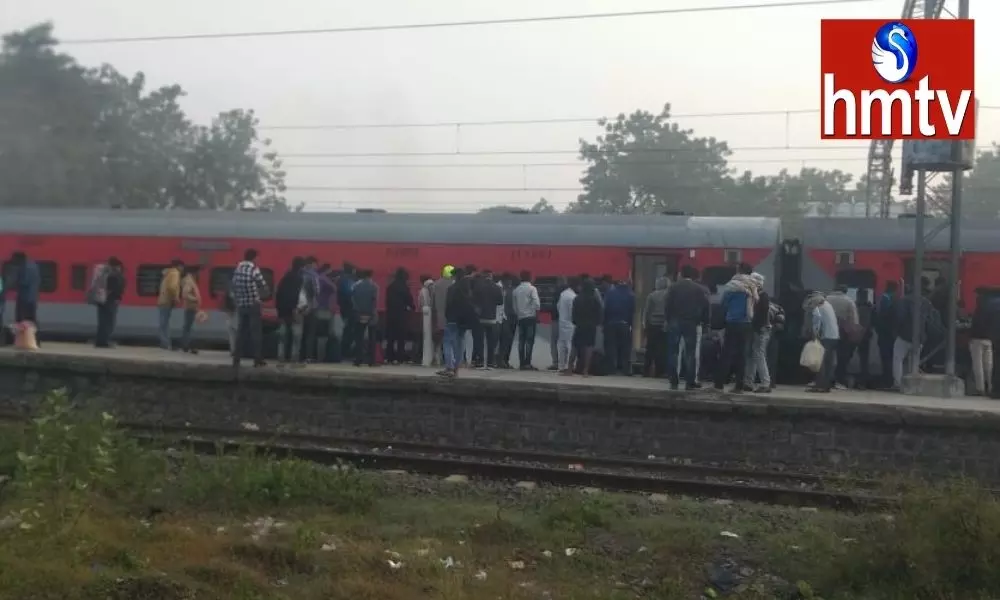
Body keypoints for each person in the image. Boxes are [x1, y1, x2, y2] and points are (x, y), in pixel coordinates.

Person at [714, 263, 757, 393]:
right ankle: (739, 386)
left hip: (732, 323)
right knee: (742, 355)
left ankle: (719, 384)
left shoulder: (731, 286)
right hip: (747, 323)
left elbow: (723, 305)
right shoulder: (753, 286)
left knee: (726, 354)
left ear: (738, 271)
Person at [666, 265, 709, 390]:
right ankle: (689, 381)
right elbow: (705, 306)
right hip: (691, 322)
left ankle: (674, 380)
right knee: (690, 353)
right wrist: (705, 322)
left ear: (682, 274)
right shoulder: (699, 289)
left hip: (675, 321)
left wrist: (668, 320)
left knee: (674, 352)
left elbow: (667, 305)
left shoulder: (673, 287)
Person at [891, 284, 937, 390]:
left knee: (898, 359)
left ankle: (897, 383)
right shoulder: (926, 302)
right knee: (914, 361)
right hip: (920, 337)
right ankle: (912, 384)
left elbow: (898, 317)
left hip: (904, 335)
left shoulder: (903, 301)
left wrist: (896, 331)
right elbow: (932, 320)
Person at [230, 249, 269, 369]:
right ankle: (257, 359)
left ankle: (236, 359)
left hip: (242, 305)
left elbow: (233, 285)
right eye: (257, 257)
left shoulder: (238, 269)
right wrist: (262, 295)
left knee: (241, 333)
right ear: (254, 258)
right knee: (256, 333)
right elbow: (263, 285)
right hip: (253, 305)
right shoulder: (254, 269)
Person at [440, 268, 476, 378]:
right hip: (464, 321)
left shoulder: (452, 288)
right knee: (460, 343)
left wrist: (447, 315)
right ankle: (456, 368)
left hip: (452, 319)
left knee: (448, 342)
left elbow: (449, 304)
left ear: (455, 276)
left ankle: (449, 367)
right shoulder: (467, 289)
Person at [825, 284, 861, 388]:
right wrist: (854, 333)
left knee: (828, 356)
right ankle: (838, 380)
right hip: (843, 332)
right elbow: (854, 319)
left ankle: (826, 379)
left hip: (828, 331)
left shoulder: (826, 299)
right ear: (845, 291)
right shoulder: (849, 301)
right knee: (842, 357)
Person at [805, 291, 839, 393]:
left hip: (826, 337)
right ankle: (826, 385)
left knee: (820, 362)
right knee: (829, 362)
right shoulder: (828, 305)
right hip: (834, 336)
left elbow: (817, 323)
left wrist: (814, 336)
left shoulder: (817, 309)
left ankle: (820, 385)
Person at [744, 273, 772, 393]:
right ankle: (748, 382)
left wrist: (758, 326)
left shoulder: (762, 296)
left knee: (759, 355)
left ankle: (765, 383)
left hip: (760, 330)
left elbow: (762, 313)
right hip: (757, 329)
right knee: (752, 355)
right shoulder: (757, 295)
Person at [276, 257, 306, 365]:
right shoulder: (299, 279)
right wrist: (297, 308)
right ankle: (294, 359)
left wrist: (279, 309)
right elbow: (298, 295)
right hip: (295, 311)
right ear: (301, 267)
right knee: (296, 336)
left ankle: (281, 358)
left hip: (283, 311)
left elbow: (278, 294)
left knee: (282, 336)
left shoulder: (284, 278)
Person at [90, 257, 124, 348]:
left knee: (102, 322)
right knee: (109, 323)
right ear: (116, 266)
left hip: (101, 300)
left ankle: (99, 341)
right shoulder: (115, 275)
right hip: (110, 301)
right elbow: (115, 289)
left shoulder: (103, 273)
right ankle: (104, 342)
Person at [603, 280, 636, 375]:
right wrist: (630, 325)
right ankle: (624, 369)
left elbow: (605, 309)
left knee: (611, 347)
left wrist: (604, 323)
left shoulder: (610, 293)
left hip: (610, 324)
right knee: (625, 347)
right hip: (625, 324)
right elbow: (632, 312)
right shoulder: (631, 295)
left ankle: (611, 368)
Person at [472, 270, 502, 369]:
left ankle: (480, 362)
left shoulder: (478, 287)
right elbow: (500, 302)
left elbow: (473, 301)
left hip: (480, 318)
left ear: (483, 276)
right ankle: (490, 363)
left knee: (479, 341)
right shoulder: (497, 288)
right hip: (492, 318)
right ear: (491, 276)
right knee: (491, 342)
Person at [572, 278, 602, 377]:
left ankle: (569, 368)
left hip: (580, 325)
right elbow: (600, 314)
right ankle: (585, 370)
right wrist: (596, 323)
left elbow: (574, 314)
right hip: (591, 326)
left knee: (575, 346)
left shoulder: (577, 299)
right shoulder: (595, 300)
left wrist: (576, 322)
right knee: (589, 347)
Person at [385, 267, 414, 364]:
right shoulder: (404, 287)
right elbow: (409, 300)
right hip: (402, 315)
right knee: (401, 338)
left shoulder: (390, 287)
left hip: (391, 315)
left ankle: (389, 356)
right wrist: (411, 307)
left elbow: (387, 301)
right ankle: (400, 357)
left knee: (391, 337)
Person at [512, 271, 541, 370]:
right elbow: (537, 303)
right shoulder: (532, 289)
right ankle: (527, 363)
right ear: (530, 277)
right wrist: (535, 314)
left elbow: (514, 307)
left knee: (521, 340)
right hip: (530, 318)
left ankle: (521, 363)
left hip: (521, 318)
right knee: (529, 341)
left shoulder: (516, 290)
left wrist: (519, 314)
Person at [969, 289, 995, 396]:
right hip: (988, 339)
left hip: (977, 339)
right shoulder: (992, 310)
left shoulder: (978, 311)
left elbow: (974, 326)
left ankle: (980, 389)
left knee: (978, 364)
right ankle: (991, 387)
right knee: (989, 365)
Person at [642, 276, 669, 378]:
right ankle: (660, 371)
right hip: (664, 325)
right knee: (662, 350)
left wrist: (645, 324)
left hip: (653, 324)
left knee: (650, 349)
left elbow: (647, 311)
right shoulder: (669, 295)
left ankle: (646, 370)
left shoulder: (651, 295)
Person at [351, 269, 379, 367]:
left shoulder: (356, 286)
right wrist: (372, 313)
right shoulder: (374, 286)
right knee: (372, 337)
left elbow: (353, 300)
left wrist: (358, 311)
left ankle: (358, 359)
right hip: (371, 314)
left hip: (359, 314)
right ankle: (371, 361)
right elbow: (374, 302)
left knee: (359, 337)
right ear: (371, 275)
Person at [874, 281, 898, 388]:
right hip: (886, 334)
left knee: (886, 357)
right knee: (887, 358)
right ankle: (888, 380)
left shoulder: (883, 298)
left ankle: (887, 379)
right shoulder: (886, 299)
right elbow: (886, 317)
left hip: (883, 334)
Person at [156, 259, 183, 350]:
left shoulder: (167, 273)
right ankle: (166, 343)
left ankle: (164, 342)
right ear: (179, 266)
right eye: (182, 267)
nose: (182, 269)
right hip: (167, 301)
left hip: (162, 300)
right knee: (165, 323)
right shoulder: (175, 273)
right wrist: (176, 298)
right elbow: (172, 287)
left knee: (163, 323)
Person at [10, 251, 40, 331]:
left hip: (24, 299)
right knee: (31, 322)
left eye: (15, 260)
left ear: (20, 259)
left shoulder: (25, 267)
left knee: (22, 322)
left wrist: (14, 282)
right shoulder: (33, 266)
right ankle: (34, 340)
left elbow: (24, 282)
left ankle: (24, 340)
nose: (14, 262)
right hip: (32, 299)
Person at [432, 265, 455, 366]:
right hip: (451, 317)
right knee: (451, 341)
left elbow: (433, 302)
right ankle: (450, 362)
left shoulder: (436, 284)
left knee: (440, 339)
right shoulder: (453, 285)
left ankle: (437, 358)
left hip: (439, 315)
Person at [299, 256, 321, 362]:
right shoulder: (313, 275)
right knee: (310, 333)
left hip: (298, 307)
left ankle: (299, 355)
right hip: (311, 306)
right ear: (312, 264)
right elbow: (317, 291)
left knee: (300, 332)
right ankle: (308, 357)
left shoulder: (299, 274)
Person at [315, 264, 337, 362]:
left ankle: (318, 356)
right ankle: (322, 357)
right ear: (327, 270)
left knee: (318, 334)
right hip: (324, 309)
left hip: (317, 308)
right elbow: (334, 288)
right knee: (323, 335)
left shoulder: (316, 278)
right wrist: (334, 281)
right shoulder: (323, 279)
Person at [556, 278, 578, 374]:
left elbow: (558, 306)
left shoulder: (563, 294)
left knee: (561, 345)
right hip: (570, 324)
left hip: (562, 322)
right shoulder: (573, 297)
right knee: (570, 346)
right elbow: (573, 311)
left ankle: (561, 366)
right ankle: (569, 366)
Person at [854, 290, 875, 389]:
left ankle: (861, 381)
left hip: (855, 334)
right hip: (865, 336)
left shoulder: (856, 306)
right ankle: (863, 381)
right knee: (864, 360)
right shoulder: (869, 307)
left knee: (845, 357)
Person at [179, 265, 202, 354]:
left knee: (188, 327)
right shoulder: (189, 281)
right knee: (188, 327)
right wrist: (195, 299)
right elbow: (185, 294)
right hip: (190, 307)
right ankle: (187, 346)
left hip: (191, 307)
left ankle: (186, 345)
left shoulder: (189, 280)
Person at [497, 273, 517, 369]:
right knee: (505, 339)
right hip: (501, 318)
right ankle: (500, 360)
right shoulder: (500, 288)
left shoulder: (508, 290)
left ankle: (502, 360)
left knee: (505, 340)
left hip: (505, 318)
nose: (510, 284)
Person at [548, 277, 568, 371]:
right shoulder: (569, 293)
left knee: (554, 341)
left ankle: (555, 362)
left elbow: (554, 306)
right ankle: (564, 363)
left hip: (556, 319)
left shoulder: (556, 292)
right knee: (565, 342)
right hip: (566, 321)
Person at [338, 263, 357, 359]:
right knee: (348, 331)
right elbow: (350, 295)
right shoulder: (347, 281)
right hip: (348, 310)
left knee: (348, 331)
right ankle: (345, 351)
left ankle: (344, 350)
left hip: (345, 309)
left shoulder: (343, 280)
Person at [418, 275, 435, 367]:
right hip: (433, 314)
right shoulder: (433, 288)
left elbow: (420, 303)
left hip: (425, 315)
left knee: (426, 338)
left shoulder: (422, 291)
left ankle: (426, 360)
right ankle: (434, 358)